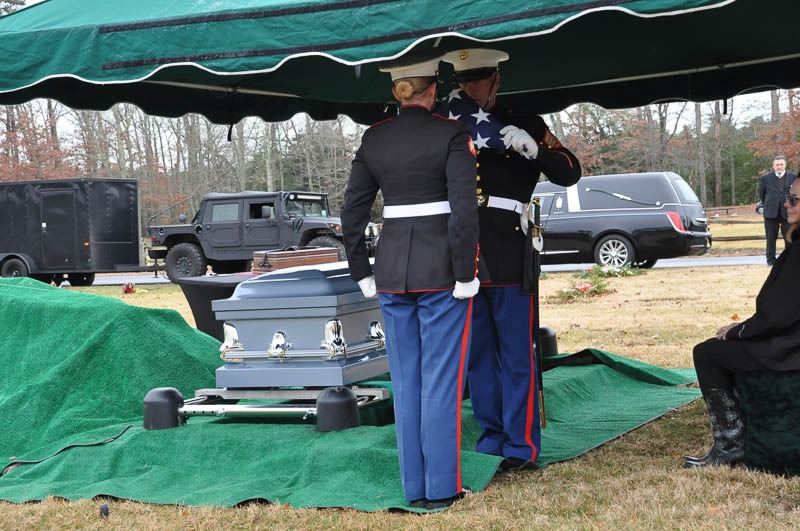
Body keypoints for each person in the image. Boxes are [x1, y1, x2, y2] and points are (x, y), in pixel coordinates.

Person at [341, 51, 481, 510]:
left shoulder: (375, 138)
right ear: (433, 89)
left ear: (396, 90)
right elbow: (464, 212)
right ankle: (441, 489)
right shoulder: (451, 134)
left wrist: (360, 269)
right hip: (441, 271)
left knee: (406, 382)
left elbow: (352, 211)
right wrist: (465, 272)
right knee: (440, 381)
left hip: (391, 272)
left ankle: (413, 488)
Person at [440, 49, 581, 471]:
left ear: (496, 79)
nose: (471, 87)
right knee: (479, 355)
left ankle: (520, 447)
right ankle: (491, 439)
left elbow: (569, 171)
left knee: (517, 354)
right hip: (463, 250)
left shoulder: (526, 123)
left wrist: (533, 149)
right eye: (464, 80)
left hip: (508, 248)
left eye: (479, 78)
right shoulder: (448, 124)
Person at [685, 177, 800, 468]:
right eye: (788, 197)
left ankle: (729, 446)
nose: (787, 204)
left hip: (790, 349)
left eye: (795, 200)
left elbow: (778, 316)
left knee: (707, 353)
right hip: (790, 338)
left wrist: (740, 331)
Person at [757, 155, 796, 266]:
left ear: (785, 165)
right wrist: (770, 203)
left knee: (789, 238)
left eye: (781, 164)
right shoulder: (766, 178)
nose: (779, 167)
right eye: (777, 165)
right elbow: (762, 194)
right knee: (771, 238)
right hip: (771, 213)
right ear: (773, 166)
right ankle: (771, 261)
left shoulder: (793, 177)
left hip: (788, 213)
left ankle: (789, 261)